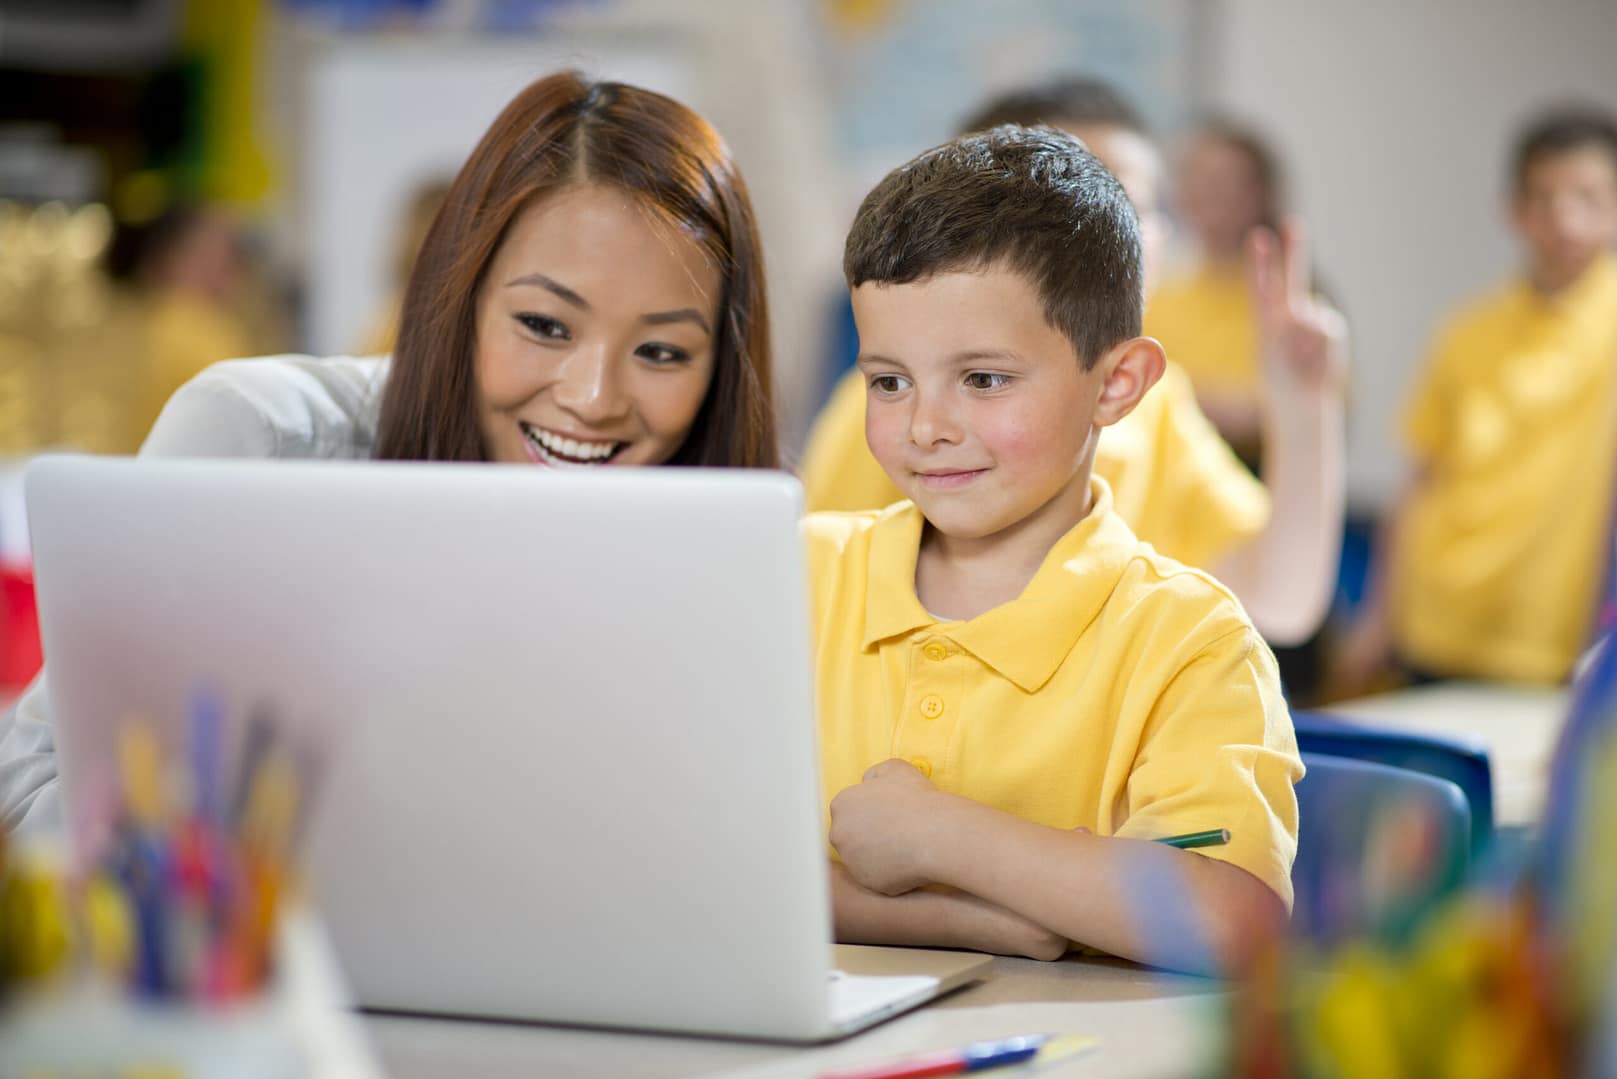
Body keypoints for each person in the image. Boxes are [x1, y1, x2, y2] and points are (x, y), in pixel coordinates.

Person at [0, 70, 779, 833]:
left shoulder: (736, 541)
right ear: (459, 297)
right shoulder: (254, 446)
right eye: (544, 325)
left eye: (662, 351)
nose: (594, 397)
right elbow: (26, 788)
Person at [811, 125, 1301, 976]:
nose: (925, 425)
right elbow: (688, 858)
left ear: (1116, 385)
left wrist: (945, 837)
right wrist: (975, 922)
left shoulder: (1189, 639)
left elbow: (1231, 920)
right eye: (888, 381)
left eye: (983, 379)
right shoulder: (802, 574)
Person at [798, 78, 1345, 648]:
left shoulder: (1156, 408)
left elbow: (1280, 600)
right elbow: (813, 610)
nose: (1116, 237)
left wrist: (1302, 405)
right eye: (1068, 209)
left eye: (1130, 205)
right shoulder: (894, 412)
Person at [1335, 106, 1617, 691]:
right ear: (1515, 211)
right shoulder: (1466, 332)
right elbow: (1420, 480)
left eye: (1589, 198)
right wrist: (1377, 620)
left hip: (1552, 641)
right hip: (1435, 621)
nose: (1565, 219)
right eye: (1545, 198)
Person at [1148, 119, 1287, 462]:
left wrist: (1173, 399)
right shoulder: (1160, 293)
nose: (1208, 192)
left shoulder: (1287, 298)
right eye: (1197, 177)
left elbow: (1278, 411)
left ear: (1260, 192)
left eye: (1224, 180)